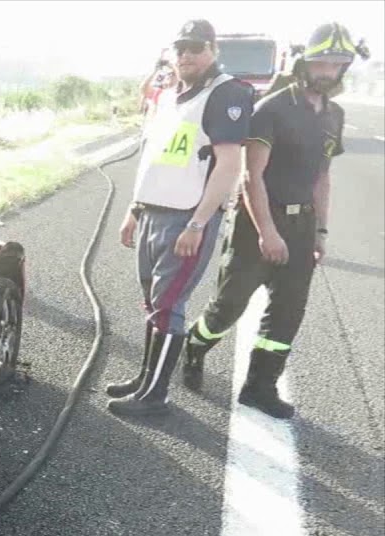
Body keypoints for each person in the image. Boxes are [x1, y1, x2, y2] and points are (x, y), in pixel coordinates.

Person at [181, 22, 363, 419]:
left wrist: (320, 231)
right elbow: (251, 175)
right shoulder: (272, 108)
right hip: (256, 225)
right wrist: (268, 233)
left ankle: (259, 388)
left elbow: (322, 177)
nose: (328, 72)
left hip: (302, 228)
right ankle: (194, 344)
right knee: (227, 308)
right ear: (305, 63)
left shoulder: (334, 115)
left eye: (336, 65)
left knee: (287, 314)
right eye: (321, 63)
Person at [105, 19, 255, 417]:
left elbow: (228, 165)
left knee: (169, 306)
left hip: (187, 218)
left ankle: (155, 398)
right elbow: (154, 160)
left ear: (213, 49)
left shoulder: (227, 94)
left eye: (195, 46)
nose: (186, 54)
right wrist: (134, 209)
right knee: (154, 303)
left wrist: (198, 222)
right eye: (180, 48)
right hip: (152, 213)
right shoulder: (171, 96)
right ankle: (145, 380)